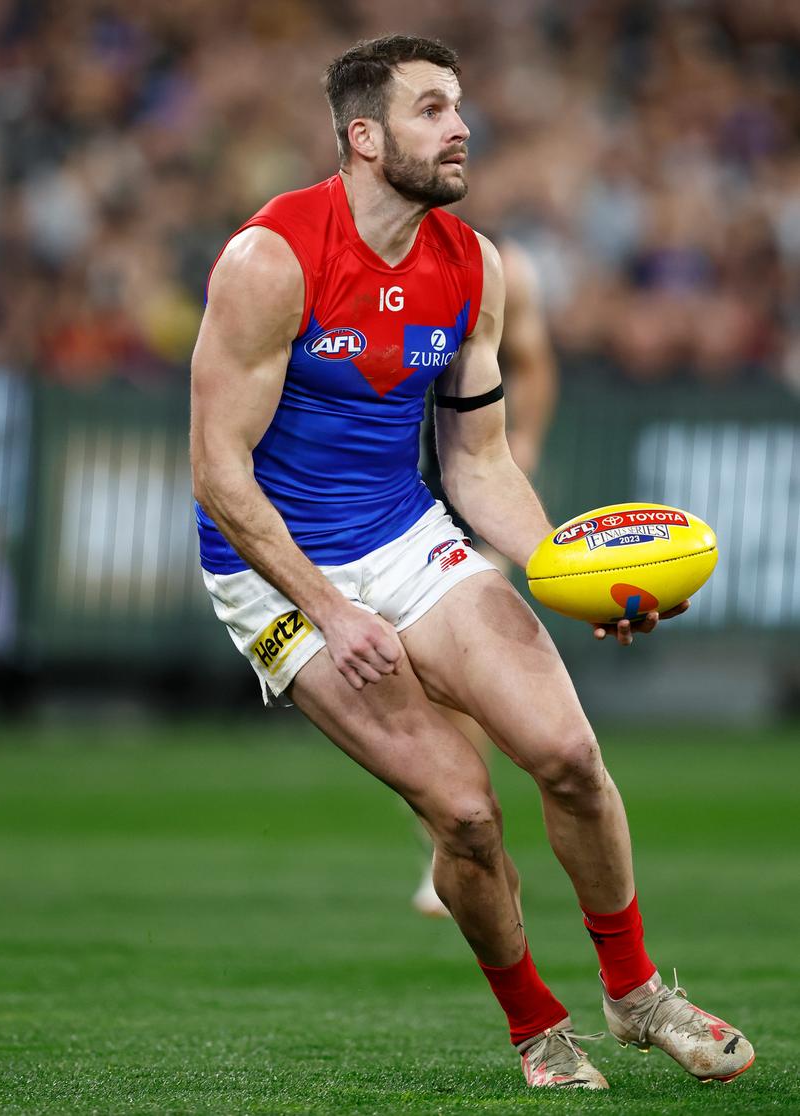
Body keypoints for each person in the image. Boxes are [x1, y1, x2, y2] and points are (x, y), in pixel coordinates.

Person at [190, 35, 754, 1090]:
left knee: (571, 757)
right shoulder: (271, 260)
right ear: (364, 138)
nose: (461, 127)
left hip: (404, 537)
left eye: (460, 106)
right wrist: (327, 612)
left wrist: (567, 570)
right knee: (461, 811)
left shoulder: (474, 265)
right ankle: (539, 1028)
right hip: (272, 573)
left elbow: (477, 461)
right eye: (432, 108)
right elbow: (219, 475)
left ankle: (636, 996)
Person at [412, 238, 557, 917]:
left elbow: (531, 362)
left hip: (469, 478)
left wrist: (521, 439)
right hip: (397, 488)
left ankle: (470, 832)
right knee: (418, 681)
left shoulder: (499, 266)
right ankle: (450, 835)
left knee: (470, 667)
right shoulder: (371, 259)